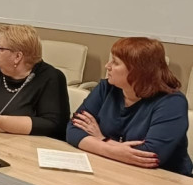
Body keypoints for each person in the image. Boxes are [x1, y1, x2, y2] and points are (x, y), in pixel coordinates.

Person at [67, 37, 192, 175]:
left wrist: (101, 139)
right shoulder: (106, 88)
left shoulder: (171, 102)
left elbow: (150, 155)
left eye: (115, 62)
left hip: (164, 178)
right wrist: (112, 149)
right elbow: (73, 130)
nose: (107, 66)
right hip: (115, 168)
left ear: (138, 70)